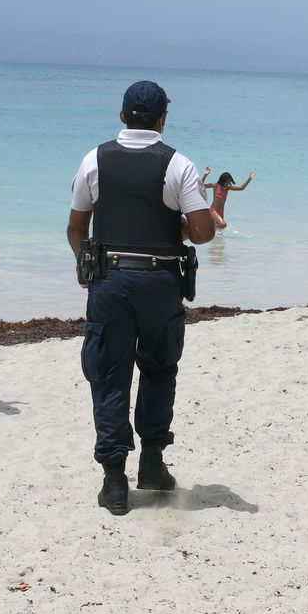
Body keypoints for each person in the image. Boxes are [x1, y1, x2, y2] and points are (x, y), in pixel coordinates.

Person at [67, 81, 216, 516]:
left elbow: (77, 227)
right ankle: (152, 462)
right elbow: (204, 232)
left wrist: (87, 269)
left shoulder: (94, 159)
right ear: (162, 119)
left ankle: (114, 480)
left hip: (109, 280)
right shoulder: (179, 165)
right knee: (158, 369)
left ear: (121, 116)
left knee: (109, 375)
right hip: (160, 281)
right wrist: (184, 229)